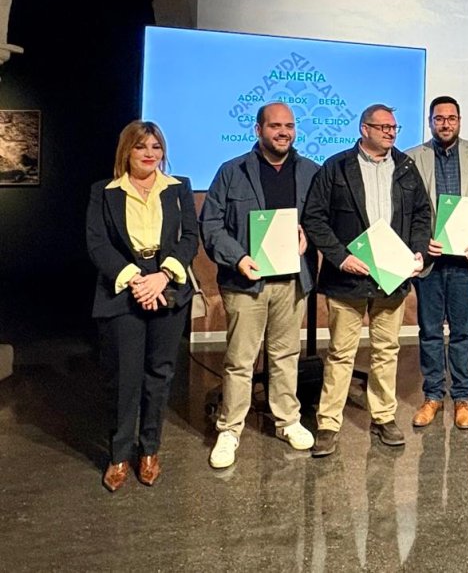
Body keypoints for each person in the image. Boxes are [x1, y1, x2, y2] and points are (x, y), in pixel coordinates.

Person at [301, 103, 430, 457]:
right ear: (364, 129)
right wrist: (341, 258)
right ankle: (328, 423)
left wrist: (418, 251)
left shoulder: (405, 167)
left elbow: (422, 214)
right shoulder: (337, 167)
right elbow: (314, 218)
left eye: (394, 127)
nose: (390, 132)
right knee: (341, 352)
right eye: (383, 127)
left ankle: (384, 417)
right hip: (348, 279)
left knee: (386, 351)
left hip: (392, 278)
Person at [200, 102, 320, 468]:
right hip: (245, 282)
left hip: (291, 282)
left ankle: (287, 420)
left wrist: (308, 238)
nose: (283, 132)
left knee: (286, 355)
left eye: (289, 125)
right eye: (275, 126)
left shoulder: (312, 172)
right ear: (258, 130)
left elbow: (322, 220)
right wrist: (237, 257)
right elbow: (212, 225)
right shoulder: (231, 171)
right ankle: (230, 428)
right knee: (240, 360)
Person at [86, 120, 198, 491]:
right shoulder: (104, 192)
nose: (150, 153)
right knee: (124, 377)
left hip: (167, 285)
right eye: (141, 147)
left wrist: (162, 277)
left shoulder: (178, 188)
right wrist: (137, 280)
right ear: (126, 151)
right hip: (124, 289)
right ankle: (118, 455)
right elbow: (98, 244)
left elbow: (190, 239)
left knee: (159, 374)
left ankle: (149, 450)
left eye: (155, 147)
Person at [406, 96, 468, 431]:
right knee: (429, 332)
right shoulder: (414, 158)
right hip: (431, 259)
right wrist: (419, 243)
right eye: (439, 118)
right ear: (430, 121)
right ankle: (432, 396)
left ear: (460, 120)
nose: (445, 124)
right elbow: (410, 210)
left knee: (462, 332)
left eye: (451, 118)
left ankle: (461, 397)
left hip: (465, 260)